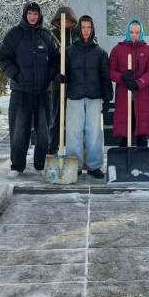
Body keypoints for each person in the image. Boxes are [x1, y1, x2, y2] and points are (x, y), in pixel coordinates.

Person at [0, 1, 59, 178]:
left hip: (42, 91)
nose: (32, 17)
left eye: (35, 14)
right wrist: (16, 75)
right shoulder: (14, 34)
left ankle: (40, 164)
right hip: (21, 91)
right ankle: (17, 166)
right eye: (30, 13)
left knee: (44, 132)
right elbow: (3, 58)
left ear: (40, 16)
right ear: (25, 15)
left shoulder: (46, 35)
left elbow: (56, 58)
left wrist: (50, 76)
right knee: (19, 130)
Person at [60, 15, 113, 179]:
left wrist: (107, 98)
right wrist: (60, 77)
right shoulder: (69, 52)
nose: (86, 31)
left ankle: (94, 166)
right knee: (73, 133)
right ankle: (74, 165)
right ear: (79, 29)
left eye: (88, 27)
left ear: (92, 29)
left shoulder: (100, 53)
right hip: (74, 96)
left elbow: (105, 77)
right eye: (83, 27)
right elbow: (63, 72)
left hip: (94, 97)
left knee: (95, 133)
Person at [109, 19, 149, 147]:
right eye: (131, 32)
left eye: (137, 32)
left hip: (141, 96)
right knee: (125, 131)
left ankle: (142, 154)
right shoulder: (117, 50)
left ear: (141, 32)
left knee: (141, 132)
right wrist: (122, 77)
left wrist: (138, 83)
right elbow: (111, 71)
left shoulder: (148, 50)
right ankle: (124, 153)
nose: (134, 35)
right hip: (124, 96)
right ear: (127, 32)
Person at [48, 6, 78, 155]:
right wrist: (55, 76)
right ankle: (52, 148)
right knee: (56, 118)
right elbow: (48, 60)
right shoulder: (51, 35)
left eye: (68, 21)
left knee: (75, 120)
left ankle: (75, 151)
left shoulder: (77, 35)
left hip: (75, 84)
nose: (65, 23)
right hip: (57, 84)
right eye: (62, 20)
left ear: (72, 21)